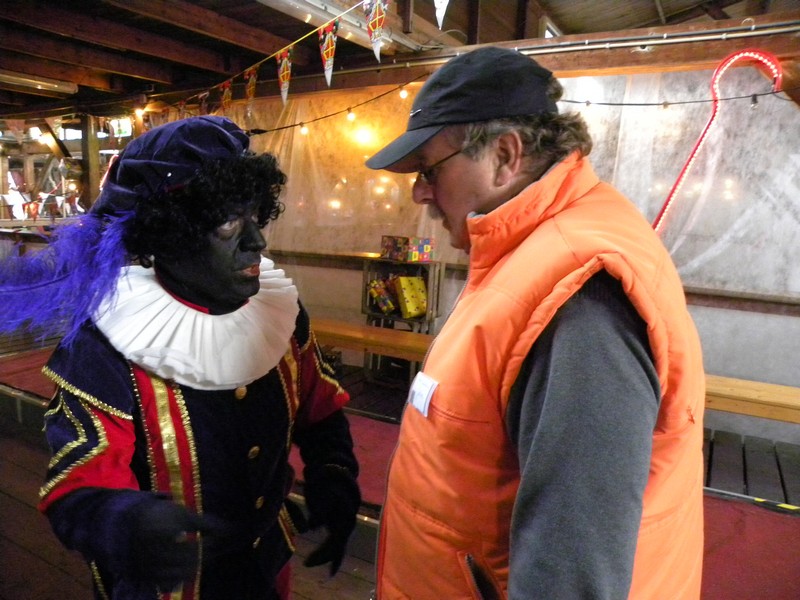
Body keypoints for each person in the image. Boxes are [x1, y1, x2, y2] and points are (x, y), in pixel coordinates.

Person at [365, 47, 705, 599]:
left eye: (429, 170)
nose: (419, 192)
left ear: (504, 155)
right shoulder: (527, 255)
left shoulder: (577, 291)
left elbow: (570, 576)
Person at [0, 116, 361, 599]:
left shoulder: (279, 315)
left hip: (267, 566)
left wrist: (334, 474)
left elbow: (319, 410)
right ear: (166, 234)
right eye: (229, 221)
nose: (257, 241)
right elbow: (80, 479)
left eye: (255, 216)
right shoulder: (110, 340)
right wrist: (127, 523)